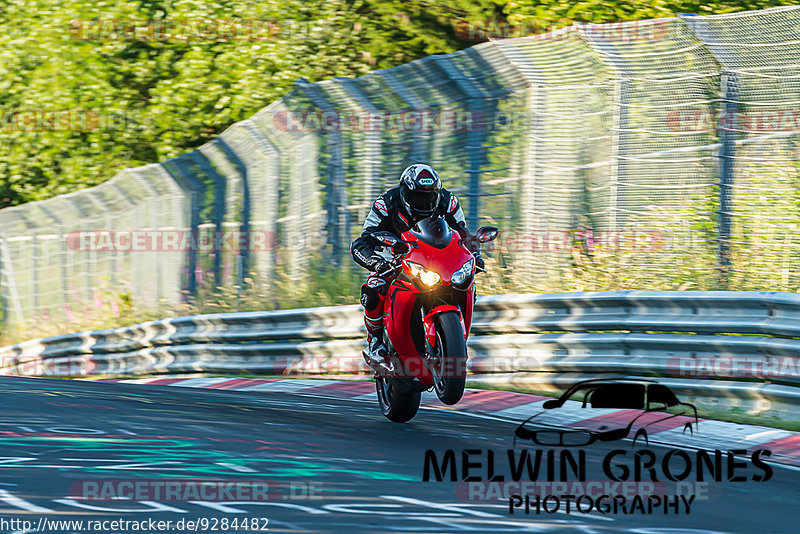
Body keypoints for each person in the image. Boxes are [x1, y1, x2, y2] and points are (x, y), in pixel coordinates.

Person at [350, 163, 484, 364]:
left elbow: (462, 233)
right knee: (374, 288)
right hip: (395, 255)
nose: (424, 202)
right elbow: (363, 240)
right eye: (418, 197)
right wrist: (377, 263)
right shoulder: (386, 204)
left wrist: (475, 254)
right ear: (405, 193)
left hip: (437, 257)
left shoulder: (449, 202)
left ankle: (456, 336)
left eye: (429, 197)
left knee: (467, 282)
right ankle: (375, 341)